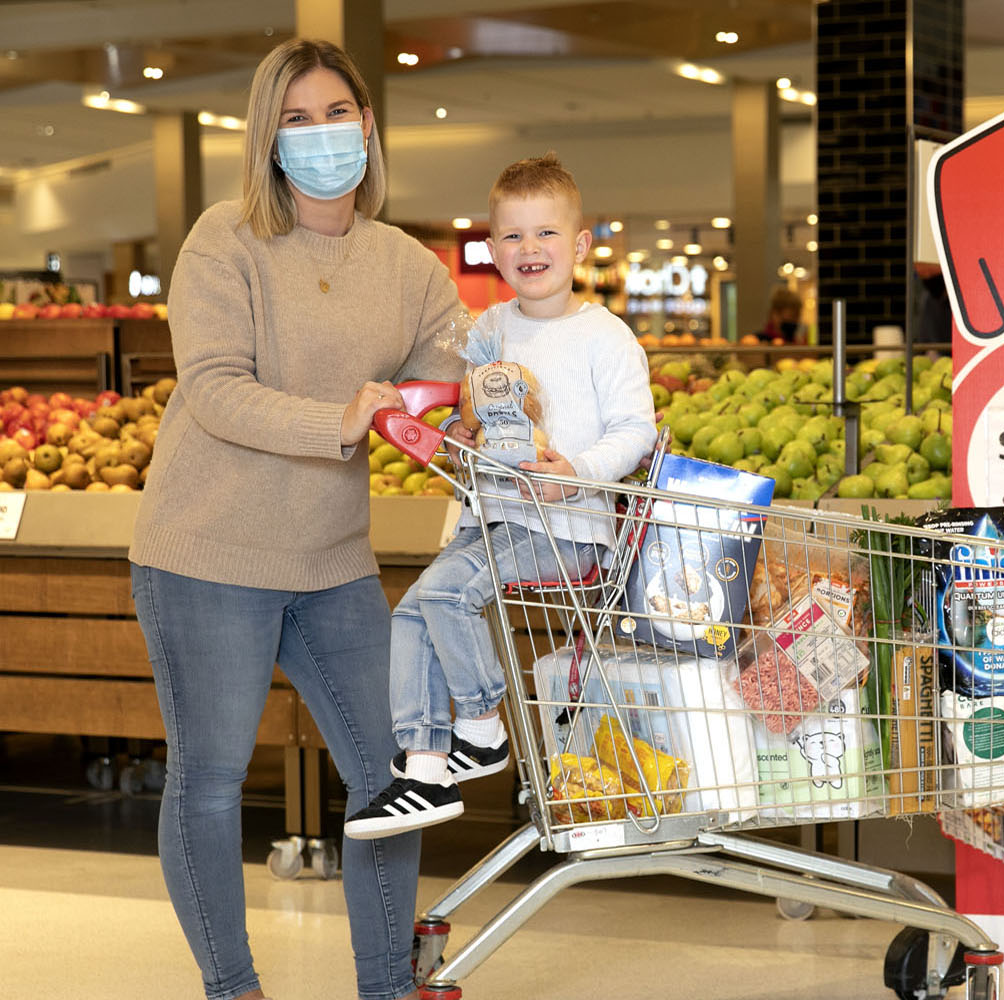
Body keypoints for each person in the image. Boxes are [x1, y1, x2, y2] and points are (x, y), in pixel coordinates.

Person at [128, 38, 465, 1000]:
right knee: (210, 778)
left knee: (390, 782)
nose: (322, 135)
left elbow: (451, 365)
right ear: (268, 139)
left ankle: (385, 986)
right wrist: (345, 419)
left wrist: (486, 395)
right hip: (209, 550)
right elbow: (217, 390)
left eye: (337, 114)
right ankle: (233, 988)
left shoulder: (406, 264)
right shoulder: (221, 241)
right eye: (296, 118)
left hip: (332, 560)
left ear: (369, 124)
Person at [343, 153, 656, 840]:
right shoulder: (488, 334)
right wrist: (458, 430)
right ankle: (424, 767)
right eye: (512, 236)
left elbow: (637, 430)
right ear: (490, 249)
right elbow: (476, 419)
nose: (529, 249)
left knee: (447, 598)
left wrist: (572, 468)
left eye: (546, 234)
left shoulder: (604, 337)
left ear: (579, 245)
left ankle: (482, 727)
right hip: (492, 518)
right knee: (413, 615)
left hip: (564, 525)